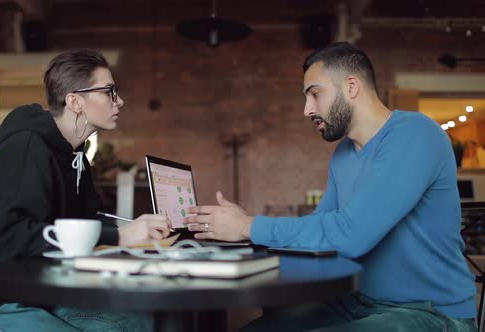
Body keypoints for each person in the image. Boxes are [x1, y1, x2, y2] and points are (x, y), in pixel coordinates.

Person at [184, 42, 477, 331]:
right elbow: (321, 228)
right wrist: (242, 230)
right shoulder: (344, 154)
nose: (307, 109)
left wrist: (249, 226)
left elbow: (351, 234)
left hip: (432, 313)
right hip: (361, 302)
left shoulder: (414, 134)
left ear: (351, 86)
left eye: (315, 94)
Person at [0, 49, 171, 332]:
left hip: (35, 295)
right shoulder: (26, 147)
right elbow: (7, 238)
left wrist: (135, 231)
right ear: (75, 101)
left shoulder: (76, 157)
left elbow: (83, 223)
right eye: (109, 91)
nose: (120, 101)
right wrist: (119, 236)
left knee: (145, 320)